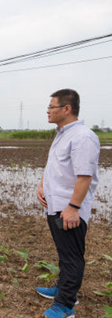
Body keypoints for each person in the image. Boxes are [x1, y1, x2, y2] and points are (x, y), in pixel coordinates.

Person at [36, 89, 100, 318]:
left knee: (72, 257)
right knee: (64, 254)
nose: (48, 111)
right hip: (56, 205)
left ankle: (65, 306)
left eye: (51, 107)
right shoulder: (62, 133)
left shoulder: (83, 136)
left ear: (66, 109)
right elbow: (53, 164)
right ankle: (63, 290)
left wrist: (73, 208)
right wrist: (42, 185)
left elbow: (85, 176)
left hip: (68, 209)